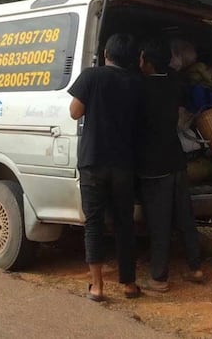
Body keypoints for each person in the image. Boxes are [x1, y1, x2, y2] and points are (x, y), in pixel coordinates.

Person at [68, 33, 142, 302]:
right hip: (124, 163)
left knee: (94, 224)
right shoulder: (136, 83)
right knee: (125, 224)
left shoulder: (91, 76)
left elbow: (75, 111)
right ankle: (129, 284)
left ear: (106, 54)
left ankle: (97, 287)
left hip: (93, 161)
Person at [136, 38, 204, 292]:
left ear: (149, 63)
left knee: (159, 221)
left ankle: (158, 277)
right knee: (185, 217)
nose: (139, 62)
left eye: (142, 58)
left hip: (154, 163)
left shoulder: (140, 87)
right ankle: (195, 268)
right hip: (176, 158)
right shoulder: (175, 83)